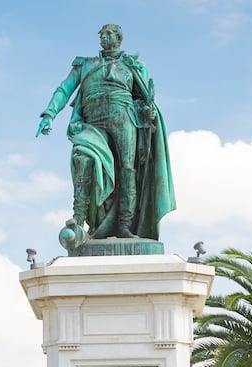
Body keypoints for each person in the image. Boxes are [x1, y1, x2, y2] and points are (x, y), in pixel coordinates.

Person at [37, 24, 175, 241]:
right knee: (83, 158)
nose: (103, 37)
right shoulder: (85, 64)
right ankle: (78, 221)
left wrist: (149, 112)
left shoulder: (134, 66)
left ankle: (124, 226)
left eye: (108, 34)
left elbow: (144, 98)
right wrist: (49, 114)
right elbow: (64, 89)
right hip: (92, 121)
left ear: (119, 38)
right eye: (101, 34)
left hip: (125, 117)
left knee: (127, 170)